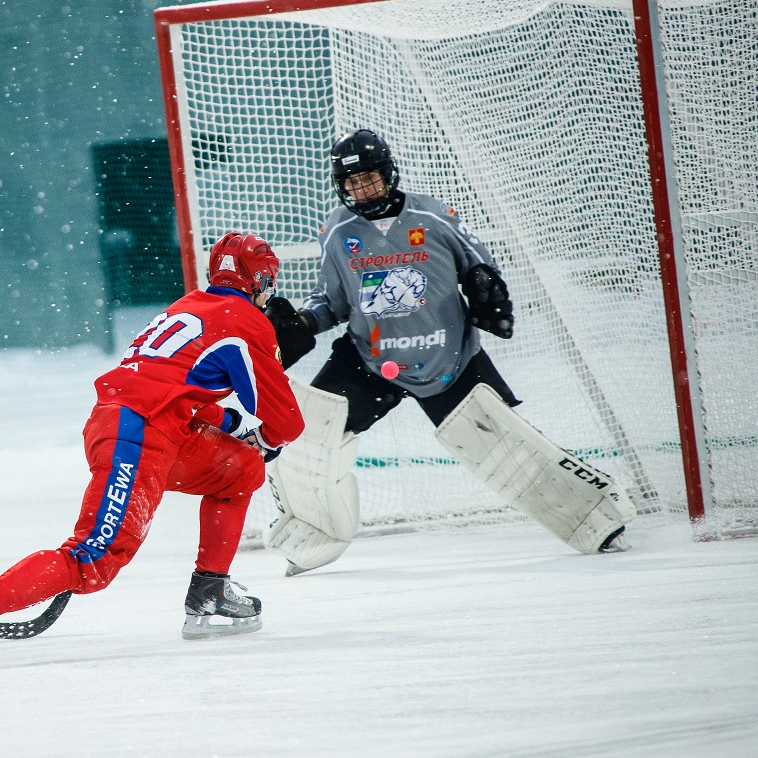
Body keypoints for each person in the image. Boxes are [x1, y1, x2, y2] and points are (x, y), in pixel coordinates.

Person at [0, 231, 305, 669]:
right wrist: (268, 431)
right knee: (93, 558)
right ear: (260, 280)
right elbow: (285, 422)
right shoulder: (245, 319)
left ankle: (209, 592)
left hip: (135, 424)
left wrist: (237, 427)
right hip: (137, 436)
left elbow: (176, 394)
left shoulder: (189, 306)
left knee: (240, 468)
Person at [262, 129, 637, 573]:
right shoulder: (338, 231)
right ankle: (311, 532)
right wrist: (303, 323)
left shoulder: (433, 215)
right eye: (352, 184)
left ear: (389, 174)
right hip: (369, 360)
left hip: (451, 360)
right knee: (305, 433)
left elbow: (480, 266)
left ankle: (597, 518)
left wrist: (485, 290)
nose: (363, 190)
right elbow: (333, 301)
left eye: (371, 179)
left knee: (512, 450)